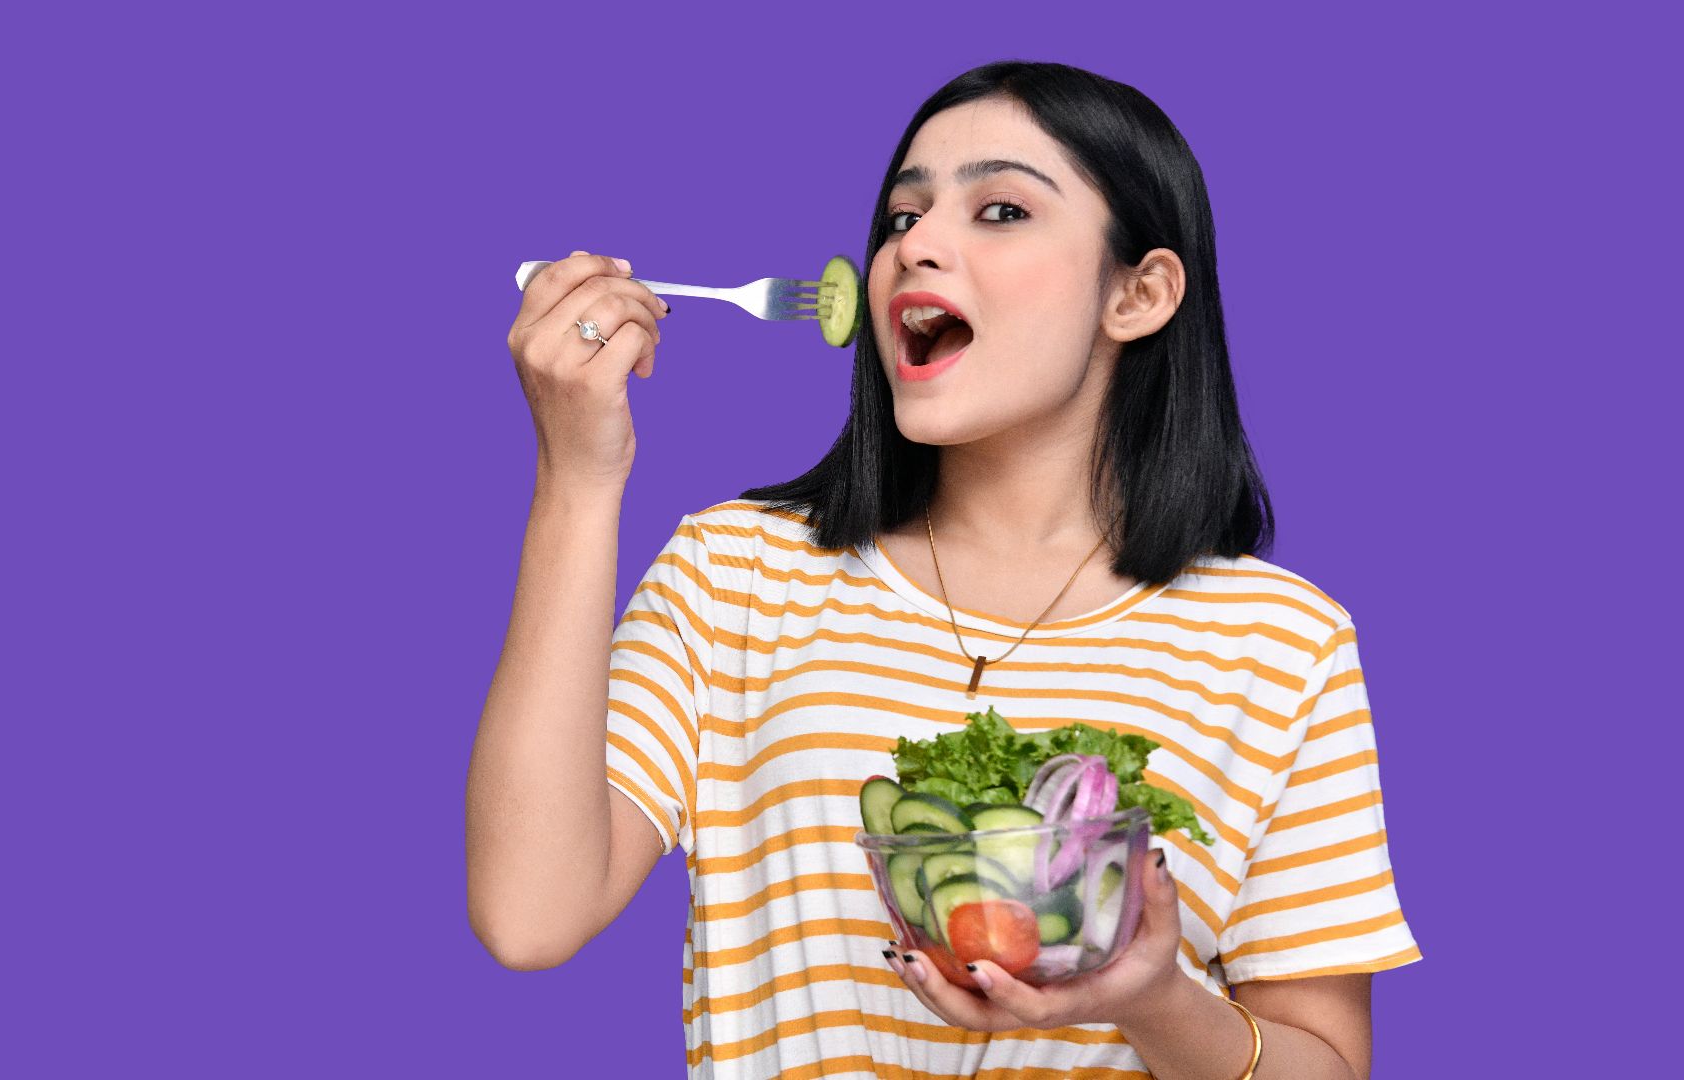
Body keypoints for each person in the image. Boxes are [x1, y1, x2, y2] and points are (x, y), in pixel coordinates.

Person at [468, 60, 1421, 1080]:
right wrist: (578, 475)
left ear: (1139, 294)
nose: (914, 245)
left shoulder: (1283, 645)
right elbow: (530, 916)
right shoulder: (734, 573)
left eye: (1000, 209)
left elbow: (1326, 1068)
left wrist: (1155, 1000)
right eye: (899, 218)